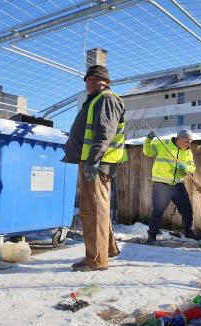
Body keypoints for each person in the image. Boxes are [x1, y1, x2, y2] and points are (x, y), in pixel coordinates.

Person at [63, 65, 127, 272]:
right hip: (94, 161)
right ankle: (108, 249)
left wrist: (92, 160)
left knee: (93, 211)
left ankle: (96, 260)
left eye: (95, 79)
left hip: (97, 163)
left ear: (106, 82)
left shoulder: (106, 100)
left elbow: (104, 133)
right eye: (88, 79)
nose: (90, 82)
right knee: (99, 208)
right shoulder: (96, 100)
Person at [143, 129, 201, 244]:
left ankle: (188, 231)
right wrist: (149, 139)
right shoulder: (162, 144)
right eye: (186, 141)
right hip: (162, 184)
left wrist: (185, 167)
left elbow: (192, 167)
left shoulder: (187, 152)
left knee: (187, 209)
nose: (188, 144)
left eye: (190, 142)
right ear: (178, 139)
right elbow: (148, 152)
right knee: (158, 210)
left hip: (178, 184)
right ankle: (152, 236)